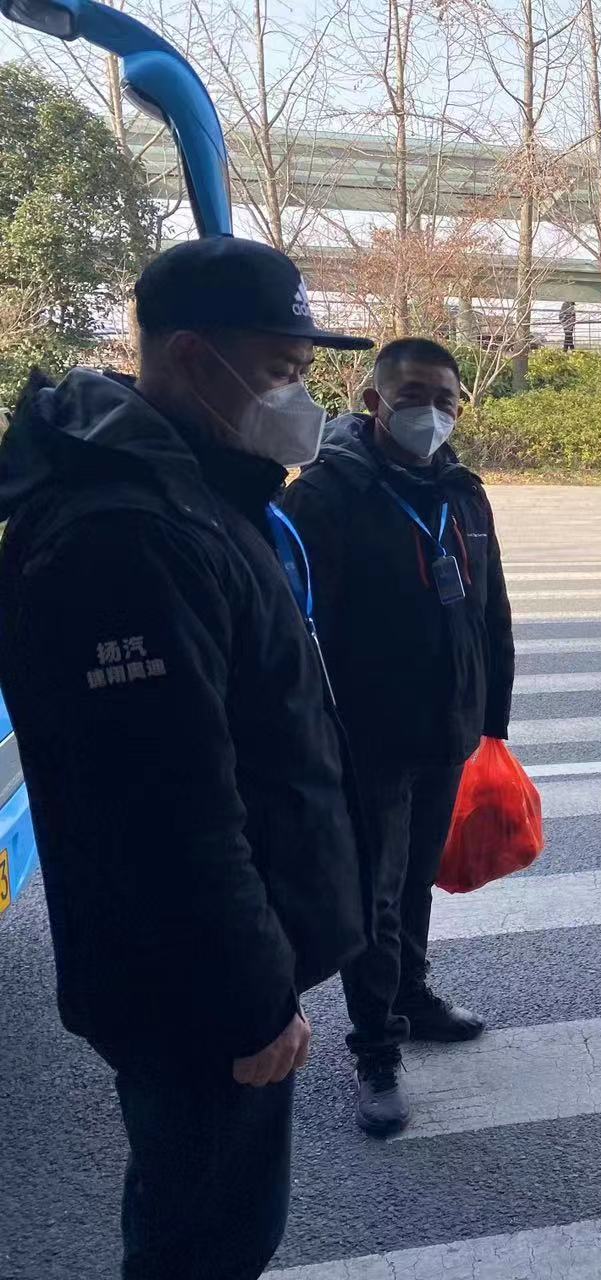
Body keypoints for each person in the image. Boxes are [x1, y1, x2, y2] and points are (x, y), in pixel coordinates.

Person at [0, 237, 371, 1279]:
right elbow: (167, 810)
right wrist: (252, 999)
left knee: (207, 1220)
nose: (301, 398)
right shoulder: (127, 533)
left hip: (201, 969)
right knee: (207, 1240)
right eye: (283, 369)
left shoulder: (195, 490)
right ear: (195, 358)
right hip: (194, 988)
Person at [280, 337, 515, 1138]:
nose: (432, 412)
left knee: (416, 877)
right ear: (374, 400)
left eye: (447, 399)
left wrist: (490, 722)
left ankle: (411, 996)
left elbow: (490, 610)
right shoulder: (326, 495)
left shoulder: (461, 492)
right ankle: (375, 1050)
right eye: (414, 396)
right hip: (366, 738)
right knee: (374, 897)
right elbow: (301, 633)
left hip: (445, 727)